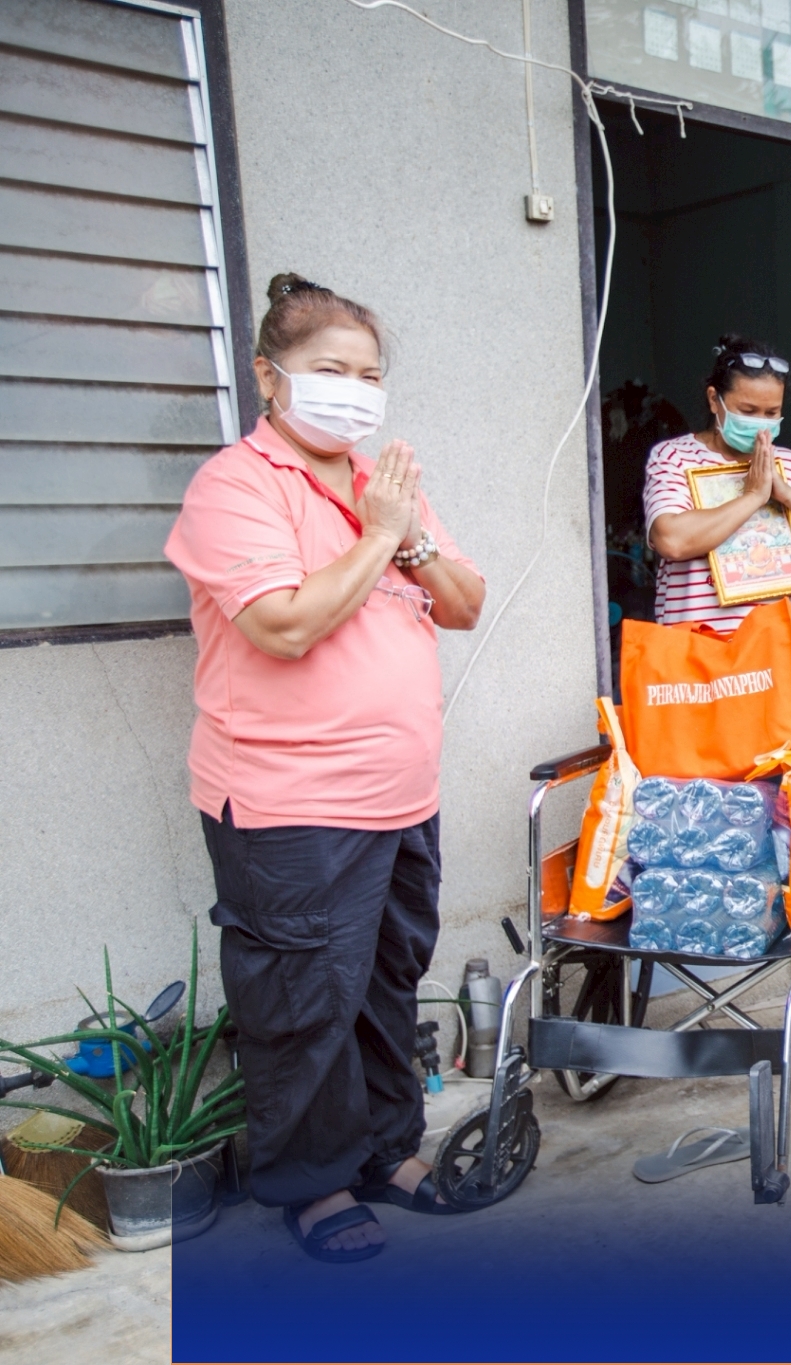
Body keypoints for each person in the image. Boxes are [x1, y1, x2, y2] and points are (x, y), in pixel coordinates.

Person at [164, 273, 488, 1263]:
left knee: (386, 988)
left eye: (369, 373)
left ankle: (384, 1151)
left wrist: (407, 529)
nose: (353, 389)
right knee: (302, 1006)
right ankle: (308, 1185)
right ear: (270, 377)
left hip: (399, 798)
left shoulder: (379, 482)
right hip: (289, 806)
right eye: (329, 370)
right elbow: (285, 624)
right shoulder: (237, 487)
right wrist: (381, 535)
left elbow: (466, 601)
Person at [643, 335, 791, 634]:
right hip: (697, 653)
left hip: (778, 649)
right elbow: (672, 540)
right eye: (747, 411)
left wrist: (788, 495)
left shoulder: (790, 465)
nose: (761, 423)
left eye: (771, 413)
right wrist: (754, 496)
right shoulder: (675, 457)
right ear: (713, 399)